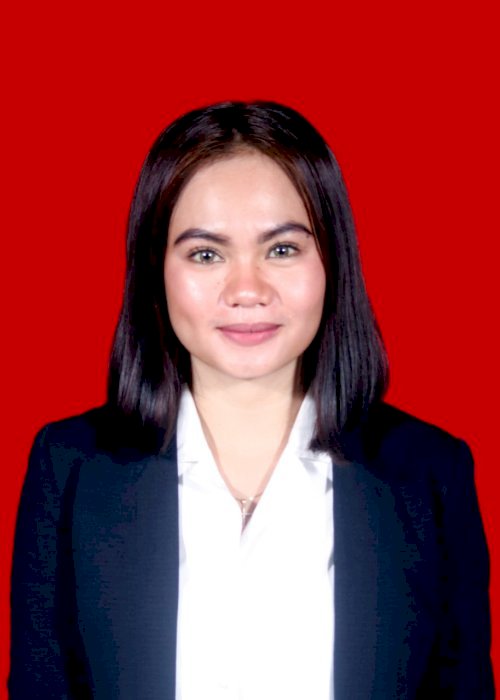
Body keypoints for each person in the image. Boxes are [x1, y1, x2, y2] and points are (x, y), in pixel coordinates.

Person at [9, 101, 493, 699]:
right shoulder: (71, 470)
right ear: (156, 271)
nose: (247, 290)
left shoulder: (428, 474)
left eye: (282, 249)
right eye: (205, 254)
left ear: (333, 261)